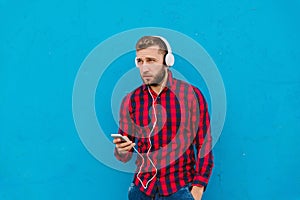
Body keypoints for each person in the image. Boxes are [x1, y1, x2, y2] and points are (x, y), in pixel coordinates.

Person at [113, 36, 214, 200]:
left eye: (151, 60)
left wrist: (198, 189)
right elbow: (124, 155)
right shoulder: (131, 100)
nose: (144, 68)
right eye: (140, 61)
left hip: (179, 188)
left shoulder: (191, 96)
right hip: (142, 190)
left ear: (167, 60)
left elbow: (204, 144)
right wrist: (121, 149)